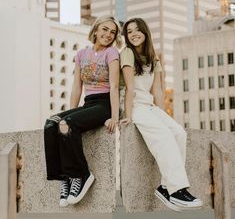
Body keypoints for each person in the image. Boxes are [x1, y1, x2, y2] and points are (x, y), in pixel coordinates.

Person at [120, 17, 203, 212]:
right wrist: (129, 115)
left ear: (145, 32)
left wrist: (163, 115)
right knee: (164, 136)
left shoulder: (153, 57)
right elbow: (130, 88)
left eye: (137, 30)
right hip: (135, 106)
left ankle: (166, 187)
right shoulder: (127, 54)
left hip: (149, 106)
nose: (133, 34)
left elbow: (157, 90)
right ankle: (177, 189)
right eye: (129, 31)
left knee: (178, 133)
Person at [44, 15, 122, 207]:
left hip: (104, 104)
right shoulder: (81, 54)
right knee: (51, 123)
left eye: (112, 32)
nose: (108, 34)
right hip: (88, 103)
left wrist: (114, 116)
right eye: (104, 29)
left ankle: (81, 175)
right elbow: (76, 88)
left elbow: (114, 86)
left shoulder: (112, 53)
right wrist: (72, 113)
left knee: (66, 124)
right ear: (95, 30)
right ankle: (64, 177)